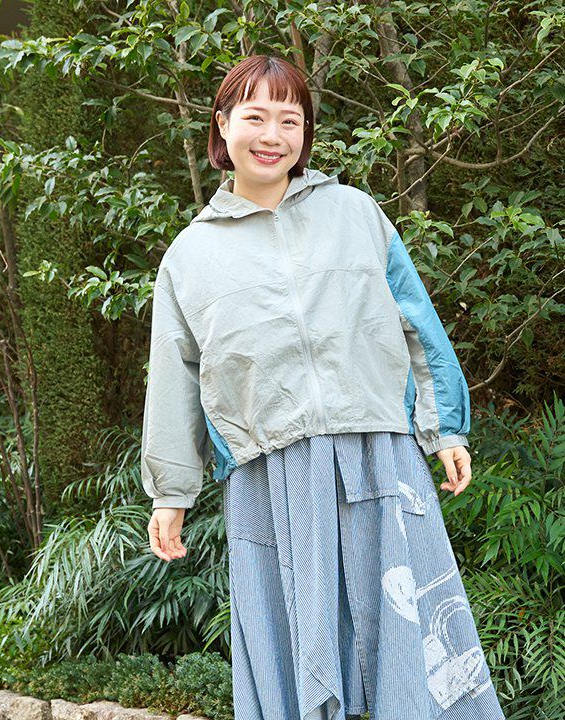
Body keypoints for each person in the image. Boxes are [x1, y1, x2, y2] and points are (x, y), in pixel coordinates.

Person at [142, 55, 506, 720]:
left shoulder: (355, 213)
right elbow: (175, 376)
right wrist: (172, 492)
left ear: (307, 132)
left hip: (380, 454)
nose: (272, 135)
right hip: (270, 476)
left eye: (291, 119)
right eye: (255, 116)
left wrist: (444, 426)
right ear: (222, 125)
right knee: (292, 656)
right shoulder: (189, 257)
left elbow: (415, 320)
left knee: (416, 638)